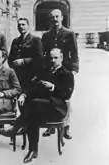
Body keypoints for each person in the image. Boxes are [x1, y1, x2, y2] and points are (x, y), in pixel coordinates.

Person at [1, 48, 74, 163]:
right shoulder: (45, 71)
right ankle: (32, 150)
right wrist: (24, 94)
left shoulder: (67, 74)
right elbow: (33, 86)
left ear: (61, 58)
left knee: (34, 106)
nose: (53, 60)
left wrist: (53, 87)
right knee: (33, 114)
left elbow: (67, 94)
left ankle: (16, 127)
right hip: (41, 108)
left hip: (57, 109)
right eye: (51, 58)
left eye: (56, 58)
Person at [41, 9, 78, 139]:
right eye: (52, 17)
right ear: (50, 19)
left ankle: (65, 126)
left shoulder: (69, 34)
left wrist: (73, 69)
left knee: (65, 98)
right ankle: (51, 125)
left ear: (62, 18)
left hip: (65, 70)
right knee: (50, 95)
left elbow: (74, 53)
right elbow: (44, 53)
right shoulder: (46, 35)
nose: (55, 19)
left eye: (57, 16)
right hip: (51, 68)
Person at [8, 17, 43, 130]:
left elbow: (39, 59)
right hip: (18, 77)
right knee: (20, 101)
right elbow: (10, 59)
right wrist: (13, 65)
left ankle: (27, 125)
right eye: (19, 25)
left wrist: (24, 61)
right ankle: (24, 124)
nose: (21, 27)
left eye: (23, 24)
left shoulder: (35, 40)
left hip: (30, 76)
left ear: (28, 26)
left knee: (28, 100)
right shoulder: (15, 41)